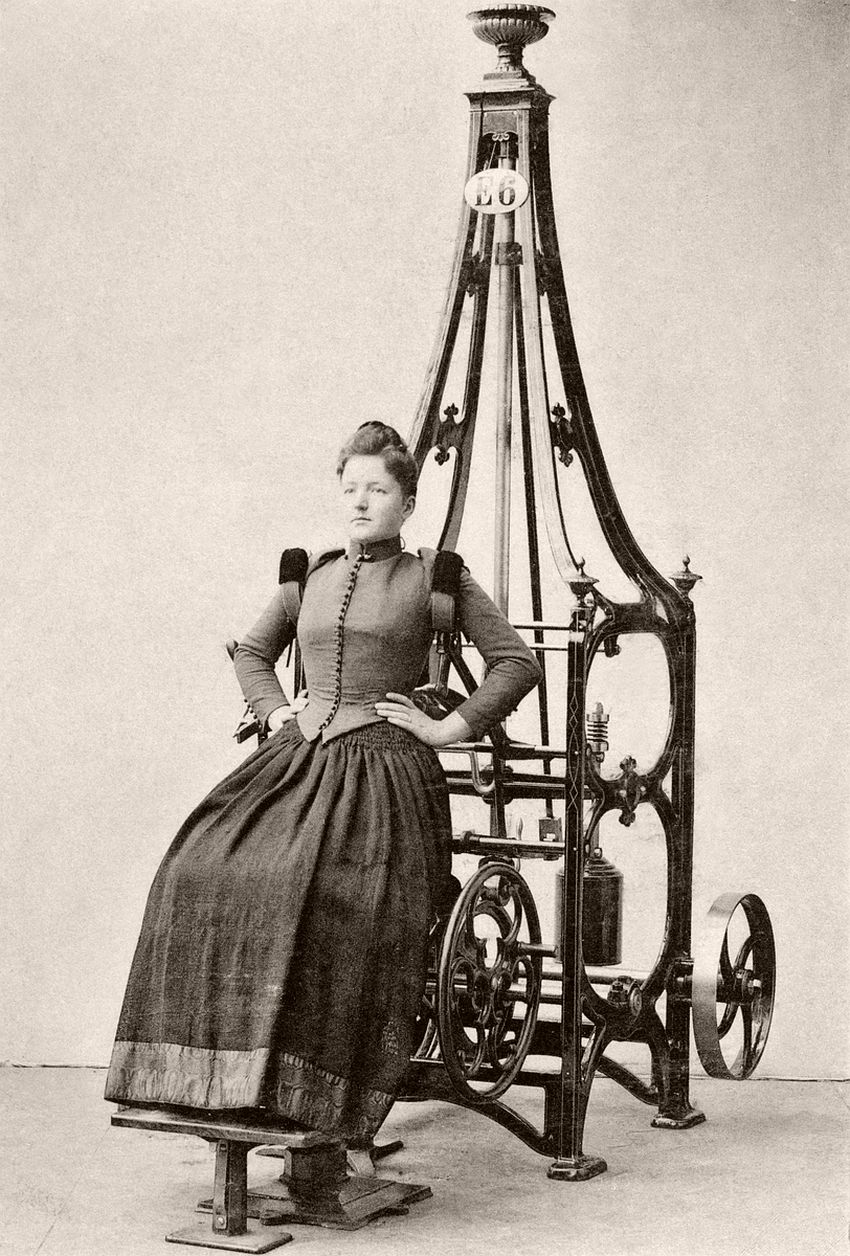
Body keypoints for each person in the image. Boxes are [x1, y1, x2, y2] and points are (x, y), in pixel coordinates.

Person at [104, 421, 542, 1146]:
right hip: (299, 760)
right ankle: (233, 1088)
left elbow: (517, 664)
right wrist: (279, 713)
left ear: (407, 503)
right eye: (351, 489)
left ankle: (312, 1103)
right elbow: (252, 653)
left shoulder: (435, 578)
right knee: (200, 867)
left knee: (325, 896)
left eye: (379, 490)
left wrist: (446, 729)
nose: (361, 502)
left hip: (385, 776)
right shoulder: (309, 573)